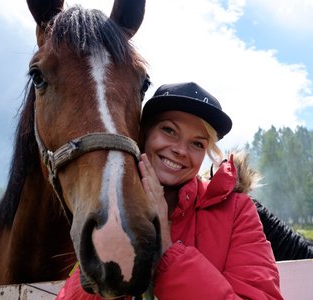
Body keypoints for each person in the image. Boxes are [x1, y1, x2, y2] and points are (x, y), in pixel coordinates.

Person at [56, 82, 283, 299]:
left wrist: (165, 246)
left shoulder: (237, 211)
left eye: (197, 144)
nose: (181, 150)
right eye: (169, 130)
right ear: (143, 134)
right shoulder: (113, 208)